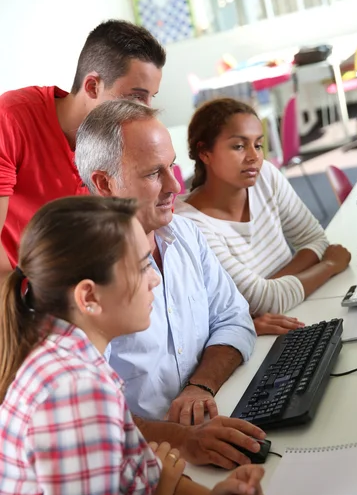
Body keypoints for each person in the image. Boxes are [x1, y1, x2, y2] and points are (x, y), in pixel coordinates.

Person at [0, 195, 267, 495]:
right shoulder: (75, 391)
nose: (154, 281)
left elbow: (141, 478)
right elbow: (153, 492)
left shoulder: (77, 358)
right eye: (142, 267)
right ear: (89, 298)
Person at [75, 99, 266, 470]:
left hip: (211, 422)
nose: (175, 185)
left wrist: (201, 386)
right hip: (144, 461)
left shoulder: (184, 234)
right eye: (153, 174)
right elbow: (89, 419)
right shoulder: (85, 286)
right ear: (104, 183)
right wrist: (183, 439)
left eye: (173, 166)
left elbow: (234, 318)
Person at [0, 19, 165, 276]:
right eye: (135, 96)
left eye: (150, 97)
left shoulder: (125, 142)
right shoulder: (11, 118)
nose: (145, 110)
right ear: (92, 86)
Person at [174, 98, 351, 332]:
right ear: (205, 152)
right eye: (238, 146)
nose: (253, 156)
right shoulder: (190, 223)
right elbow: (267, 300)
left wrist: (268, 288)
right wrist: (328, 264)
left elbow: (314, 240)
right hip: (265, 337)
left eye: (258, 145)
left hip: (296, 310)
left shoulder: (264, 175)